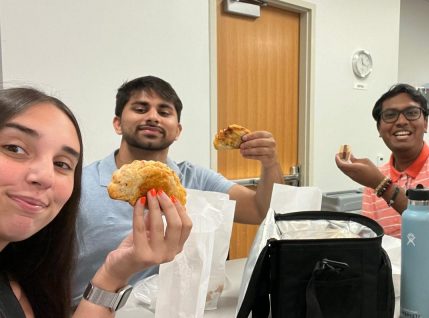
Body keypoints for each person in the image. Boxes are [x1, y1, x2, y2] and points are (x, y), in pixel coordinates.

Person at [72, 75, 284, 304]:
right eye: (140, 108)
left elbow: (261, 211)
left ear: (178, 130)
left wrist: (270, 163)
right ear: (117, 123)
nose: (153, 117)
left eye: (164, 112)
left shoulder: (195, 179)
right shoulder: (79, 184)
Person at [0, 87, 191, 317]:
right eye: (15, 148)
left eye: (62, 164)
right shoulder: (92, 184)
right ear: (117, 123)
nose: (45, 176)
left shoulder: (23, 272)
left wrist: (115, 272)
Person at [335, 83, 429, 282]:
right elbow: (371, 245)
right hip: (403, 284)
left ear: (425, 123)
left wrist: (383, 187)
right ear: (379, 129)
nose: (401, 121)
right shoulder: (374, 179)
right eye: (390, 115)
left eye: (411, 113)